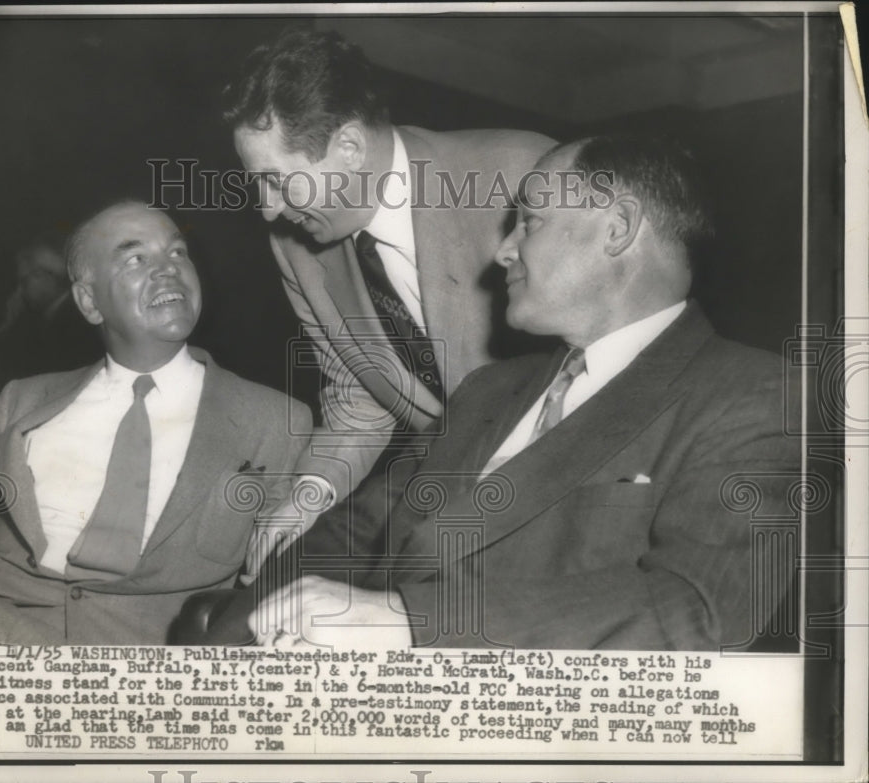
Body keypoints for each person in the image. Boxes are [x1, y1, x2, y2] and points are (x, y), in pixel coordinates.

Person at [194, 135, 801, 651]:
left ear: (617, 229)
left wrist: (410, 621)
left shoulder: (755, 395)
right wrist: (219, 657)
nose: (503, 249)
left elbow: (700, 607)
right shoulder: (491, 391)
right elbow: (352, 534)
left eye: (529, 221)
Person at [0, 201, 311, 645]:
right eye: (135, 258)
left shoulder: (275, 421)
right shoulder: (25, 399)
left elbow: (278, 567)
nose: (168, 269)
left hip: (152, 649)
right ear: (89, 302)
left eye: (178, 253)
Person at [222, 29, 555, 569]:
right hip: (438, 487)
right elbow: (360, 395)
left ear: (349, 147)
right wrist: (309, 495)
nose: (266, 210)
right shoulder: (296, 249)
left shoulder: (522, 176)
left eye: (276, 182)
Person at [0, 238, 100, 384]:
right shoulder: (67, 315)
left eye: (24, 281)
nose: (20, 291)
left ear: (42, 276)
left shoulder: (71, 322)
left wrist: (8, 324)